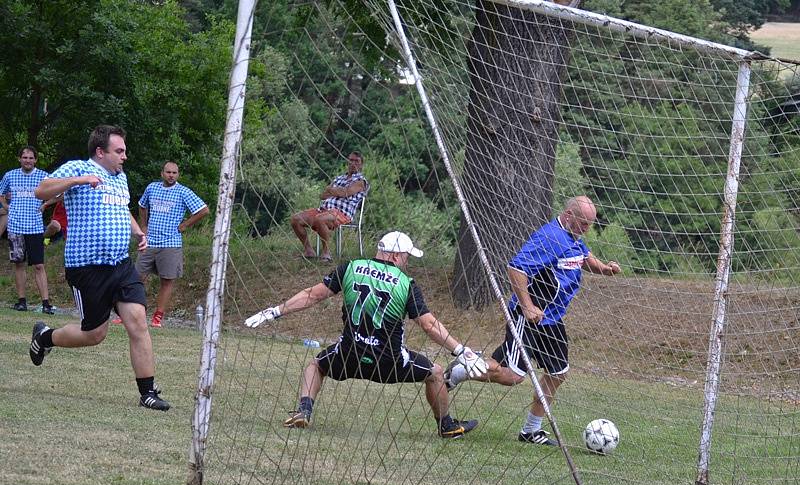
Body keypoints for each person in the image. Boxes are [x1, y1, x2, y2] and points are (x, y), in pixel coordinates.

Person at [245, 231, 487, 438]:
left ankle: (304, 410)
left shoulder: (351, 268)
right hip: (389, 362)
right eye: (406, 257)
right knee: (435, 373)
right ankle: (446, 426)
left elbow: (313, 295)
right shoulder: (405, 283)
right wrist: (460, 350)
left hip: (349, 355)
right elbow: (428, 324)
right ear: (395, 256)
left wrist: (275, 311)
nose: (406, 262)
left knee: (316, 365)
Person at [446, 196, 621, 446]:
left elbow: (583, 256)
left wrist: (603, 268)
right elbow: (516, 268)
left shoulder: (573, 236)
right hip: (528, 319)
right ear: (569, 215)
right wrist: (528, 307)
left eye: (589, 225)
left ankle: (531, 430)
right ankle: (462, 370)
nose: (586, 229)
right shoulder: (550, 237)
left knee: (558, 373)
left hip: (552, 320)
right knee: (512, 376)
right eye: (583, 223)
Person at [30, 124, 170, 411]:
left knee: (138, 323)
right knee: (94, 334)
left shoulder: (120, 178)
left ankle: (147, 393)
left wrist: (138, 232)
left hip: (120, 265)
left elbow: (122, 209)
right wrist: (79, 180)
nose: (124, 156)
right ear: (100, 152)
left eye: (124, 151)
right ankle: (45, 336)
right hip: (87, 269)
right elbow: (41, 191)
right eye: (119, 151)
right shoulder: (76, 168)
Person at [131, 161, 209, 327]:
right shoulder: (152, 188)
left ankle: (158, 317)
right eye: (168, 172)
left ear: (178, 175)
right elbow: (142, 205)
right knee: (137, 277)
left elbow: (203, 210)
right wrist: (143, 225)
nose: (171, 175)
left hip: (171, 242)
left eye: (174, 173)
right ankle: (131, 314)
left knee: (167, 280)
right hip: (150, 240)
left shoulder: (183, 192)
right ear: (162, 173)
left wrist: (186, 224)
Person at [0, 146, 54, 313]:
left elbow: (57, 192)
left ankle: (45, 304)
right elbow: (1, 193)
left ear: (35, 160)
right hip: (15, 226)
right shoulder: (10, 175)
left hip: (35, 226)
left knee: (39, 265)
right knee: (19, 264)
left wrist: (46, 204)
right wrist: (6, 207)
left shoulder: (43, 176)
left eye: (31, 158)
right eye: (25, 157)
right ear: (20, 159)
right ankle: (21, 301)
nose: (28, 160)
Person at [290, 152, 369, 262]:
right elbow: (322, 196)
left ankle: (326, 253)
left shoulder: (361, 181)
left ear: (361, 165)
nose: (353, 163)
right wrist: (337, 191)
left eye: (356, 161)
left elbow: (346, 193)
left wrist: (332, 190)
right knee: (296, 219)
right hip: (323, 210)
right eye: (351, 160)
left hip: (342, 213)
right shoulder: (339, 178)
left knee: (320, 219)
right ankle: (309, 250)